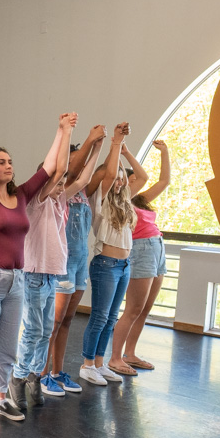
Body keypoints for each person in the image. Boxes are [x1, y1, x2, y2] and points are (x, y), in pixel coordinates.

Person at [0, 112, 75, 422]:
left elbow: (52, 167)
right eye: (0, 161)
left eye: (10, 161)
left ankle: (0, 397)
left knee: (8, 347)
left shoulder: (22, 194)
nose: (8, 165)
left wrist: (61, 130)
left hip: (17, 281)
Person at [7, 114, 80, 406]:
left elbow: (80, 176)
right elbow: (60, 167)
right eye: (57, 181)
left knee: (45, 329)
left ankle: (34, 375)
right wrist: (64, 131)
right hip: (35, 274)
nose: (62, 183)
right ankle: (18, 374)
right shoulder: (37, 201)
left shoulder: (59, 200)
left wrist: (107, 144)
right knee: (34, 329)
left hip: (51, 275)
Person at [43, 126, 106, 391]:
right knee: (53, 322)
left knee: (67, 320)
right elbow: (72, 171)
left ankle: (57, 372)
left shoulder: (82, 190)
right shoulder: (59, 187)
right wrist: (90, 140)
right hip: (62, 263)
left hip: (79, 263)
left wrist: (101, 146)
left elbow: (96, 172)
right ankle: (42, 374)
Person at [106, 140, 171, 375]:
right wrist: (125, 152)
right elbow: (142, 176)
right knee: (133, 309)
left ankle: (130, 354)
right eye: (126, 180)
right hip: (141, 249)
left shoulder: (140, 200)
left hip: (157, 247)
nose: (131, 183)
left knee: (144, 309)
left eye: (130, 180)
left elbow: (164, 181)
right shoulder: (121, 199)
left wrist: (165, 152)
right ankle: (115, 358)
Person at [78, 123, 136, 386]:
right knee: (100, 316)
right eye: (115, 177)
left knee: (112, 317)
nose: (119, 180)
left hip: (123, 265)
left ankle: (100, 364)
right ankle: (87, 364)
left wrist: (124, 151)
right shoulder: (98, 201)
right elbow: (110, 173)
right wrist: (116, 142)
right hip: (105, 264)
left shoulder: (124, 203)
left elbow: (142, 177)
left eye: (123, 177)